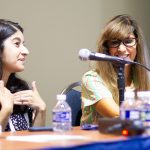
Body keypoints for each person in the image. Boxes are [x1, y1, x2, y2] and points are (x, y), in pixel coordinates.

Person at [81, 14, 150, 125]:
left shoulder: (144, 77)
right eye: (114, 42)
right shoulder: (92, 79)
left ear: (137, 44)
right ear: (106, 48)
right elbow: (118, 116)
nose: (122, 49)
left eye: (128, 41)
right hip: (101, 140)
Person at [0, 19, 46, 131]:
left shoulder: (20, 90)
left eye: (23, 44)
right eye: (17, 44)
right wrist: (5, 110)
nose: (26, 51)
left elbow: (34, 142)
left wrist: (41, 110)